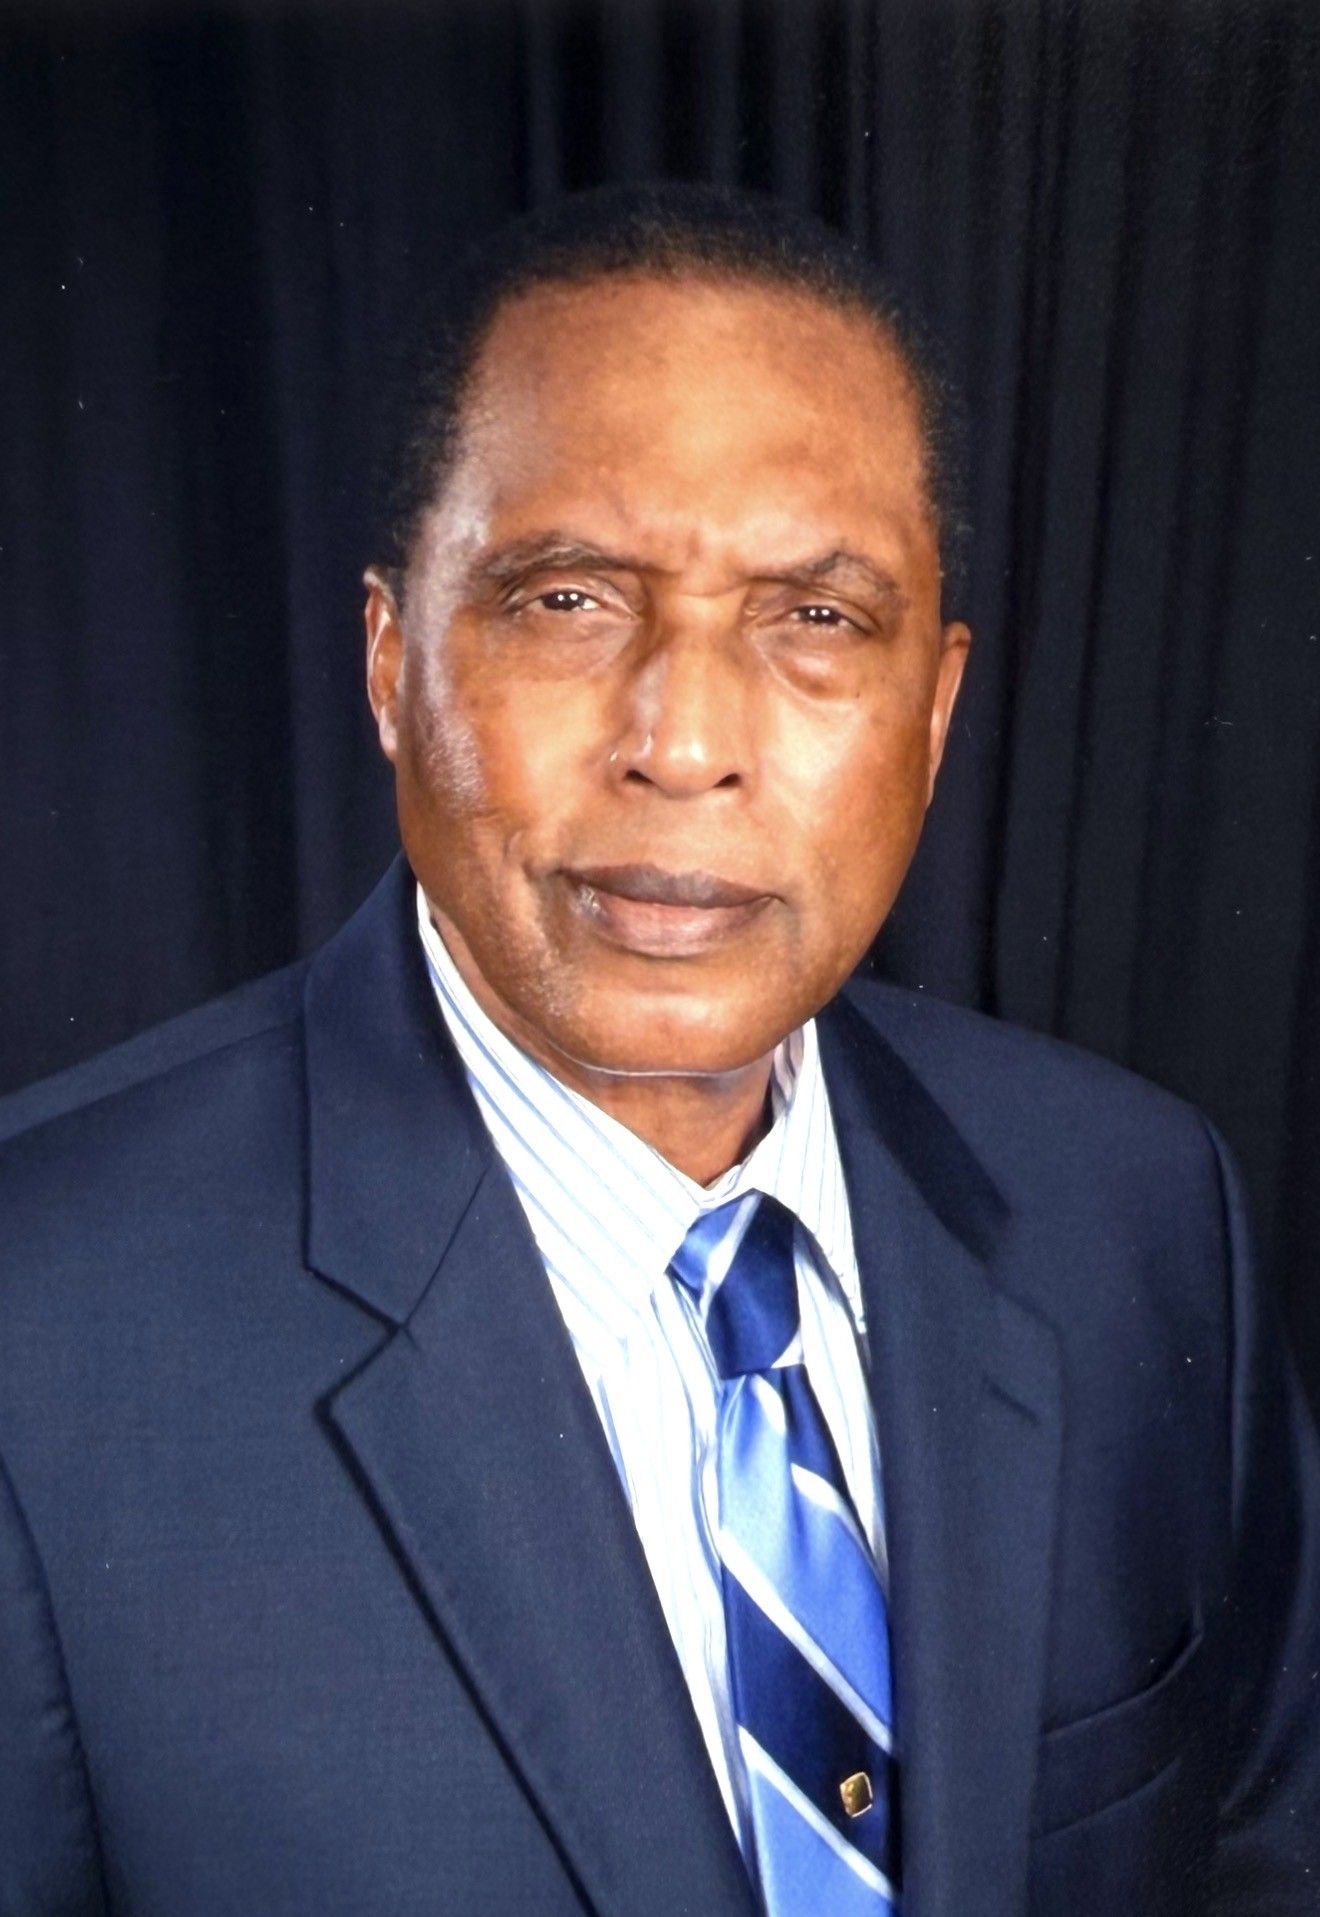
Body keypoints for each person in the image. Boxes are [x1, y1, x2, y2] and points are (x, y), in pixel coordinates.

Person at [0, 184, 1316, 1917]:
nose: (685, 742)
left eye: (815, 618)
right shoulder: (40, 1328)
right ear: (393, 662)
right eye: (568, 599)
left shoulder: (1138, 1214)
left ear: (935, 711)